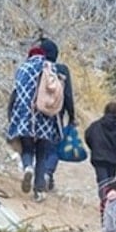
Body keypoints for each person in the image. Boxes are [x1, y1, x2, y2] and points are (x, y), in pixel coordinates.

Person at [5, 47, 61, 201]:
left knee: (27, 146)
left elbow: (15, 93)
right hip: (45, 115)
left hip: (25, 114)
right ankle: (39, 191)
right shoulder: (51, 68)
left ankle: (28, 166)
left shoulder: (23, 68)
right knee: (42, 153)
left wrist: (11, 115)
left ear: (29, 56)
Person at [36, 38, 76, 191]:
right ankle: (47, 173)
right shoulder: (62, 70)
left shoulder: (37, 67)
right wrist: (71, 116)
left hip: (37, 112)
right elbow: (68, 95)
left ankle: (38, 174)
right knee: (54, 146)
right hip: (56, 114)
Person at [85, 102, 116, 212]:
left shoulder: (96, 125)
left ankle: (105, 201)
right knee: (110, 181)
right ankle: (109, 202)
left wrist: (95, 148)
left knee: (102, 181)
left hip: (98, 157)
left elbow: (88, 136)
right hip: (113, 159)